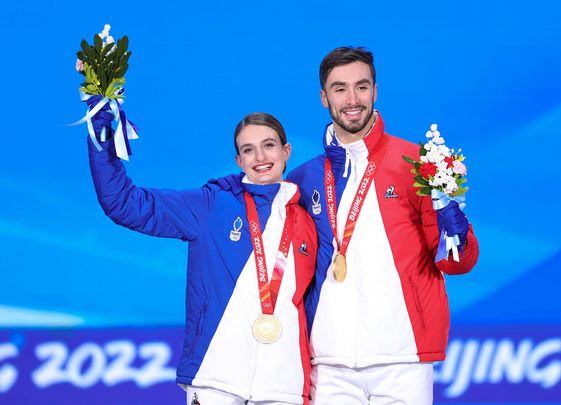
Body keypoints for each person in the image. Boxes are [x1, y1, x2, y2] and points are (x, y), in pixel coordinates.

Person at [287, 47, 480, 404]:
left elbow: (457, 263)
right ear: (323, 97)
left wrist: (450, 213)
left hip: (402, 360)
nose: (352, 99)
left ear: (375, 91)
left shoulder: (416, 166)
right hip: (328, 365)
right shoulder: (303, 179)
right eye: (339, 88)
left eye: (362, 87)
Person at [86, 109, 316, 405]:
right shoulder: (210, 206)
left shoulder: (308, 222)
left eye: (268, 145)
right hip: (215, 379)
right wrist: (101, 131)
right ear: (239, 161)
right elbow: (124, 203)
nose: (260, 156)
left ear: (286, 151)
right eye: (248, 149)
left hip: (283, 387)